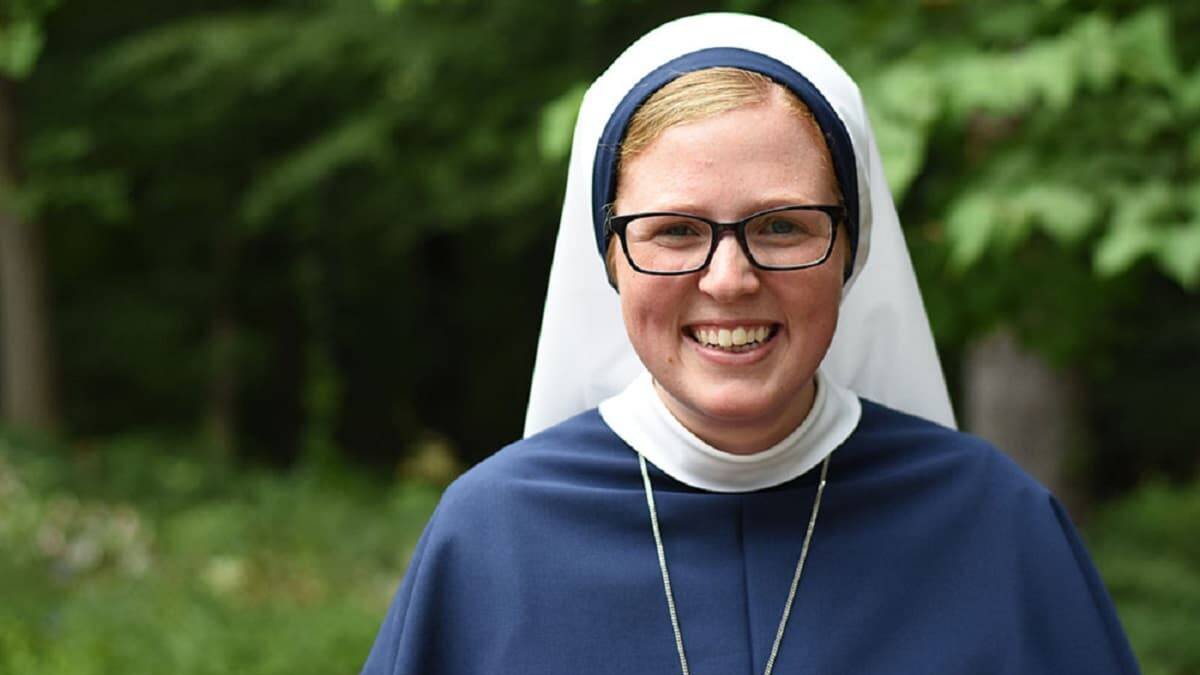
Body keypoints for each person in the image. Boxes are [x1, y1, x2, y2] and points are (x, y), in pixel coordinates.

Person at [361, 13, 1140, 675]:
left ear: (851, 251)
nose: (729, 279)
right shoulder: (489, 538)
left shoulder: (997, 527)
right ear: (607, 257)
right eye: (674, 230)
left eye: (780, 225)